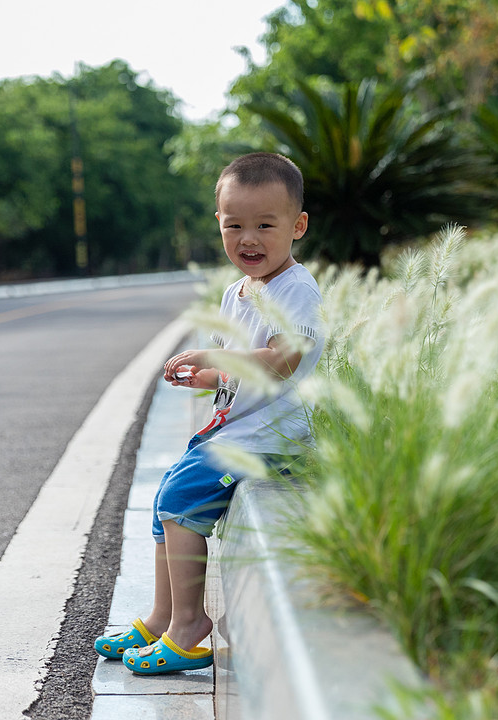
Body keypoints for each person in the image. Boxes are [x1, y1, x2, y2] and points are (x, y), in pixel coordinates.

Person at [93, 152, 325, 675]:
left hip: (271, 438)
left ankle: (189, 628)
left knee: (180, 498)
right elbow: (243, 370)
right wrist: (208, 377)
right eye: (234, 224)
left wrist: (216, 357)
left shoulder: (295, 290)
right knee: (166, 501)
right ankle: (161, 616)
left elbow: (283, 361)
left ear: (298, 226)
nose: (250, 238)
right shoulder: (236, 292)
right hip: (238, 430)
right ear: (217, 223)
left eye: (266, 225)